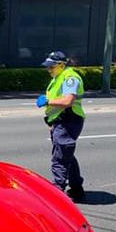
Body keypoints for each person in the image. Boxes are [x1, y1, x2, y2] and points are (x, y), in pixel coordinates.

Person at [35, 51, 86, 201]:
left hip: (69, 119)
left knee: (60, 157)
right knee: (66, 154)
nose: (48, 70)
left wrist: (47, 102)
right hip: (61, 121)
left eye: (51, 67)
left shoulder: (70, 78)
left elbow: (67, 101)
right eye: (48, 67)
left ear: (61, 65)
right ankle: (77, 189)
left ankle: (57, 192)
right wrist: (52, 123)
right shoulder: (59, 77)